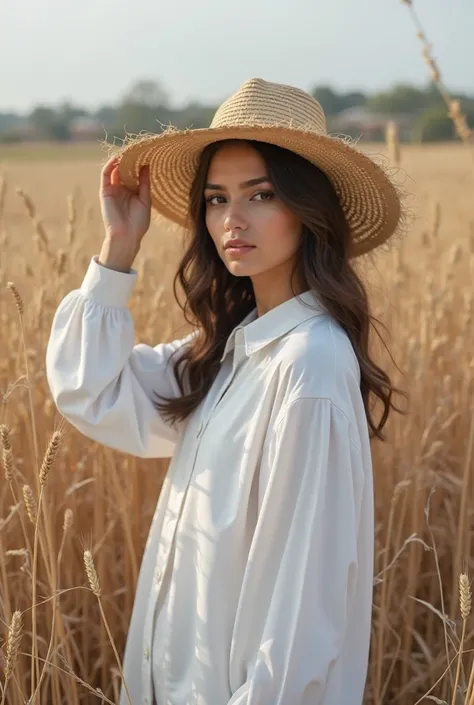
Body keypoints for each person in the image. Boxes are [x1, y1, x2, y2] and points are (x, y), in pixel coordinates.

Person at [46, 77, 407, 705]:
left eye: (260, 194)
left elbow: (300, 623)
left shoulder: (309, 368)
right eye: (215, 198)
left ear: (311, 208)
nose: (231, 220)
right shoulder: (231, 351)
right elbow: (90, 391)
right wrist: (119, 247)